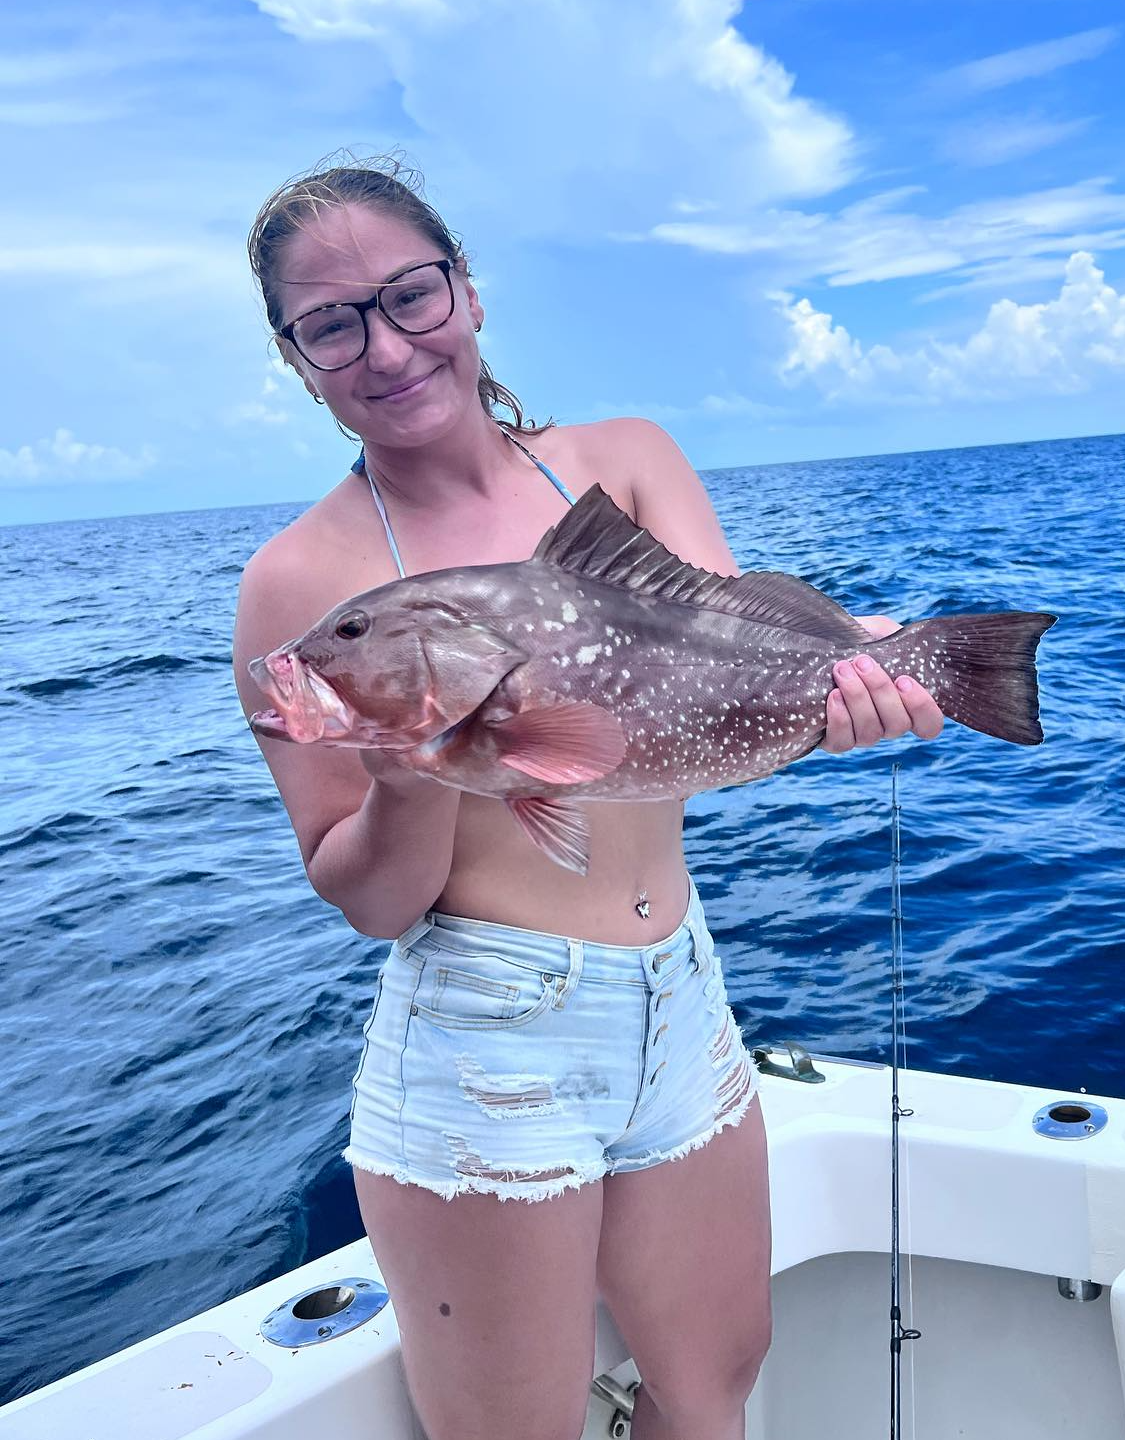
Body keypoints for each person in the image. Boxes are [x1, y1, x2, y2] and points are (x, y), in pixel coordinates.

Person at [231, 153, 945, 1440]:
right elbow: (372, 901)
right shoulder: (299, 586)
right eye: (331, 325)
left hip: (685, 1000)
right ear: (296, 357)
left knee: (714, 1388)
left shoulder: (625, 462)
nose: (385, 348)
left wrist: (847, 690)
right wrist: (412, 771)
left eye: (410, 296)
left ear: (467, 290)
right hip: (486, 1041)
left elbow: (724, 688)